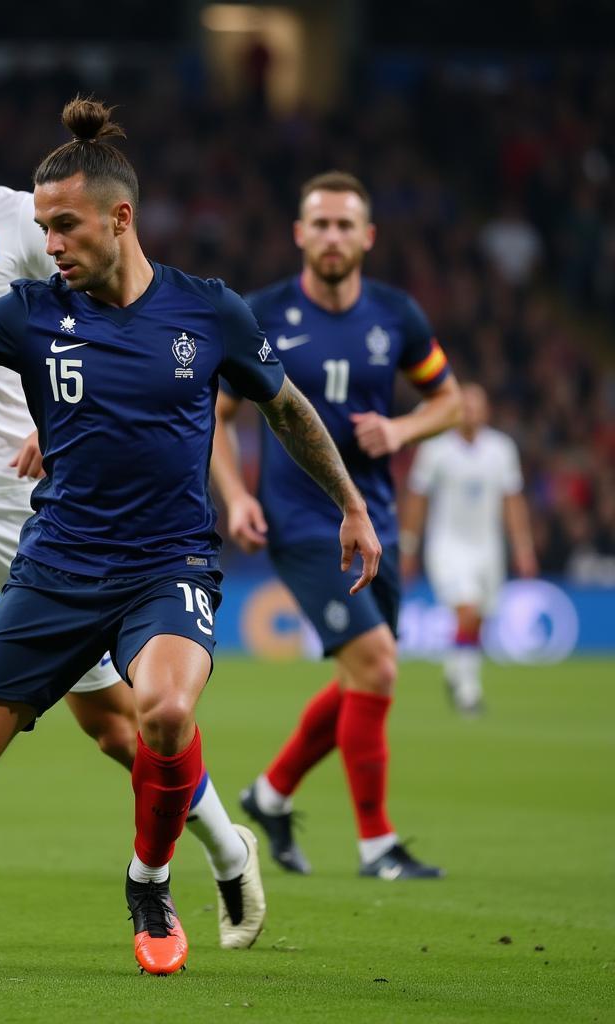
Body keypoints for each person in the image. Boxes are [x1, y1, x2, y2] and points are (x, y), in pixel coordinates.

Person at [0, 99, 382, 975]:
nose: (50, 244)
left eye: (65, 227)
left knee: (162, 713)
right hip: (56, 565)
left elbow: (286, 408)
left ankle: (149, 882)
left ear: (121, 219)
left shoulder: (209, 312)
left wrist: (350, 503)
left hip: (168, 562)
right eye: (42, 228)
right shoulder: (32, 312)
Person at [212, 170, 462, 880]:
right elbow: (217, 420)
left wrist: (403, 425)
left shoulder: (396, 316)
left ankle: (270, 793)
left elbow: (450, 400)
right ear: (299, 234)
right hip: (300, 520)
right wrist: (235, 495)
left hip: (376, 519)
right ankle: (377, 844)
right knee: (378, 664)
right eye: (319, 224)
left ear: (367, 237)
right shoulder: (260, 315)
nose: (331, 236)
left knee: (365, 674)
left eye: (344, 225)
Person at [399, 382, 538, 713]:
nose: (472, 412)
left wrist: (523, 547)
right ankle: (468, 690)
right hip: (447, 545)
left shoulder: (501, 450)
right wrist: (408, 546)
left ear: (487, 411)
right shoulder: (436, 449)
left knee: (480, 617)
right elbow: (417, 499)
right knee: (468, 609)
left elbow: (513, 502)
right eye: (466, 405)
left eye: (478, 405)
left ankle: (455, 669)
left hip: (487, 547)